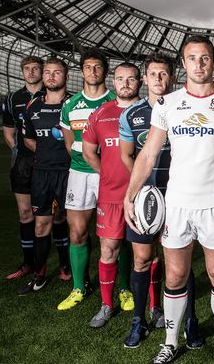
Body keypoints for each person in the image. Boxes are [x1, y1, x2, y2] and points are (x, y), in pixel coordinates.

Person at [124, 36, 214, 364]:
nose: (199, 65)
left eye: (205, 58)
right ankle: (170, 342)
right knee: (174, 275)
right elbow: (147, 154)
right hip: (176, 204)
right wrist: (130, 196)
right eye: (192, 58)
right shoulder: (168, 103)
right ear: (183, 64)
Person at [119, 52, 203, 348]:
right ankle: (139, 321)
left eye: (163, 74)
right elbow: (128, 155)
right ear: (144, 78)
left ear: (172, 77)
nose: (157, 78)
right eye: (152, 74)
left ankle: (189, 323)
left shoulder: (187, 108)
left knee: (180, 263)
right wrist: (140, 191)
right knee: (142, 259)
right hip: (147, 199)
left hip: (182, 195)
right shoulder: (131, 115)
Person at [57, 49, 121, 311]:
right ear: (81, 72)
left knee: (118, 236)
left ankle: (125, 288)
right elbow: (69, 144)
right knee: (77, 232)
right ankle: (79, 287)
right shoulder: (70, 105)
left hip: (111, 176)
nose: (92, 72)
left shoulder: (116, 101)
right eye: (87, 67)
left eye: (97, 67)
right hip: (80, 174)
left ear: (105, 71)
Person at [82, 63, 141, 328]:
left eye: (131, 79)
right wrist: (106, 172)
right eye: (120, 79)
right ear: (113, 82)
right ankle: (106, 304)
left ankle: (153, 306)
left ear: (140, 82)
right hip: (110, 195)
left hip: (144, 196)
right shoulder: (100, 113)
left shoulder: (153, 112)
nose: (125, 83)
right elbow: (88, 151)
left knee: (146, 254)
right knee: (108, 249)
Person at [17, 57, 72, 295]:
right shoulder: (34, 106)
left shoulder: (73, 104)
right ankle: (39, 275)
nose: (50, 76)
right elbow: (29, 139)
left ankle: (67, 266)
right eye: (47, 72)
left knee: (67, 222)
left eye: (56, 72)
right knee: (41, 226)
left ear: (65, 76)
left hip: (70, 172)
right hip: (42, 174)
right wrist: (45, 153)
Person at [1, 55, 45, 280]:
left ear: (41, 71)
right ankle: (28, 263)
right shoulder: (12, 99)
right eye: (27, 69)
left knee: (55, 216)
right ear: (22, 72)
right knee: (26, 213)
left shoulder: (52, 95)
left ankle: (64, 265)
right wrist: (19, 153)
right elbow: (9, 132)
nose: (31, 72)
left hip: (48, 163)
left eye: (35, 68)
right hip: (23, 164)